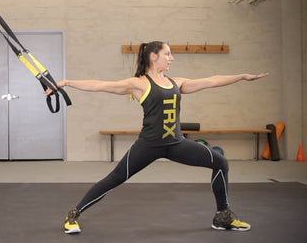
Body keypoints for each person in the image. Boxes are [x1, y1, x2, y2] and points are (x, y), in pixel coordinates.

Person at [46, 41, 269, 234]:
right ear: (154, 56)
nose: (171, 58)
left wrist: (241, 77)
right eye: (167, 54)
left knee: (220, 162)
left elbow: (211, 80)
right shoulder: (139, 84)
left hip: (176, 144)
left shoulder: (177, 82)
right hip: (148, 146)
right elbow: (101, 85)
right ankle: (73, 215)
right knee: (114, 179)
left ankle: (222, 216)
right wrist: (67, 83)